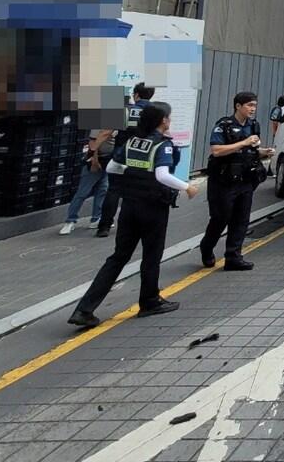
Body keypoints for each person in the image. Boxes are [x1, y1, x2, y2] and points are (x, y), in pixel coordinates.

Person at [67, 102, 200, 329]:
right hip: (153, 208)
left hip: (129, 207)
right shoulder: (162, 146)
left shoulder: (131, 142)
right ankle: (149, 301)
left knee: (118, 257)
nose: (170, 121)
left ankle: (84, 309)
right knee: (151, 254)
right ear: (163, 121)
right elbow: (162, 175)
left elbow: (112, 169)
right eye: (169, 117)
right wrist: (186, 187)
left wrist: (129, 185)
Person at [201, 92, 272, 271]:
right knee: (220, 218)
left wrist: (264, 151)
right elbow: (216, 150)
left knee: (241, 220)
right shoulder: (223, 126)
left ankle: (233, 257)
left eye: (254, 105)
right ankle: (207, 247)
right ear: (238, 106)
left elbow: (252, 150)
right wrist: (243, 143)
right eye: (249, 105)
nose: (253, 109)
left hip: (246, 180)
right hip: (223, 181)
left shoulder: (253, 126)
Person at [95, 83, 156, 238]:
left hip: (121, 157)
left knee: (114, 190)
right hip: (145, 159)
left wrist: (92, 149)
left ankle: (104, 226)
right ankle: (138, 226)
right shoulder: (155, 112)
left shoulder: (126, 110)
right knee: (141, 192)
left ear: (136, 95)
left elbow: (106, 132)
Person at [59, 128, 112, 234]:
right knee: (83, 192)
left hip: (108, 161)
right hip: (96, 160)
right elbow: (93, 143)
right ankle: (70, 221)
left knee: (102, 190)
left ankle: (96, 218)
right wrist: (94, 161)